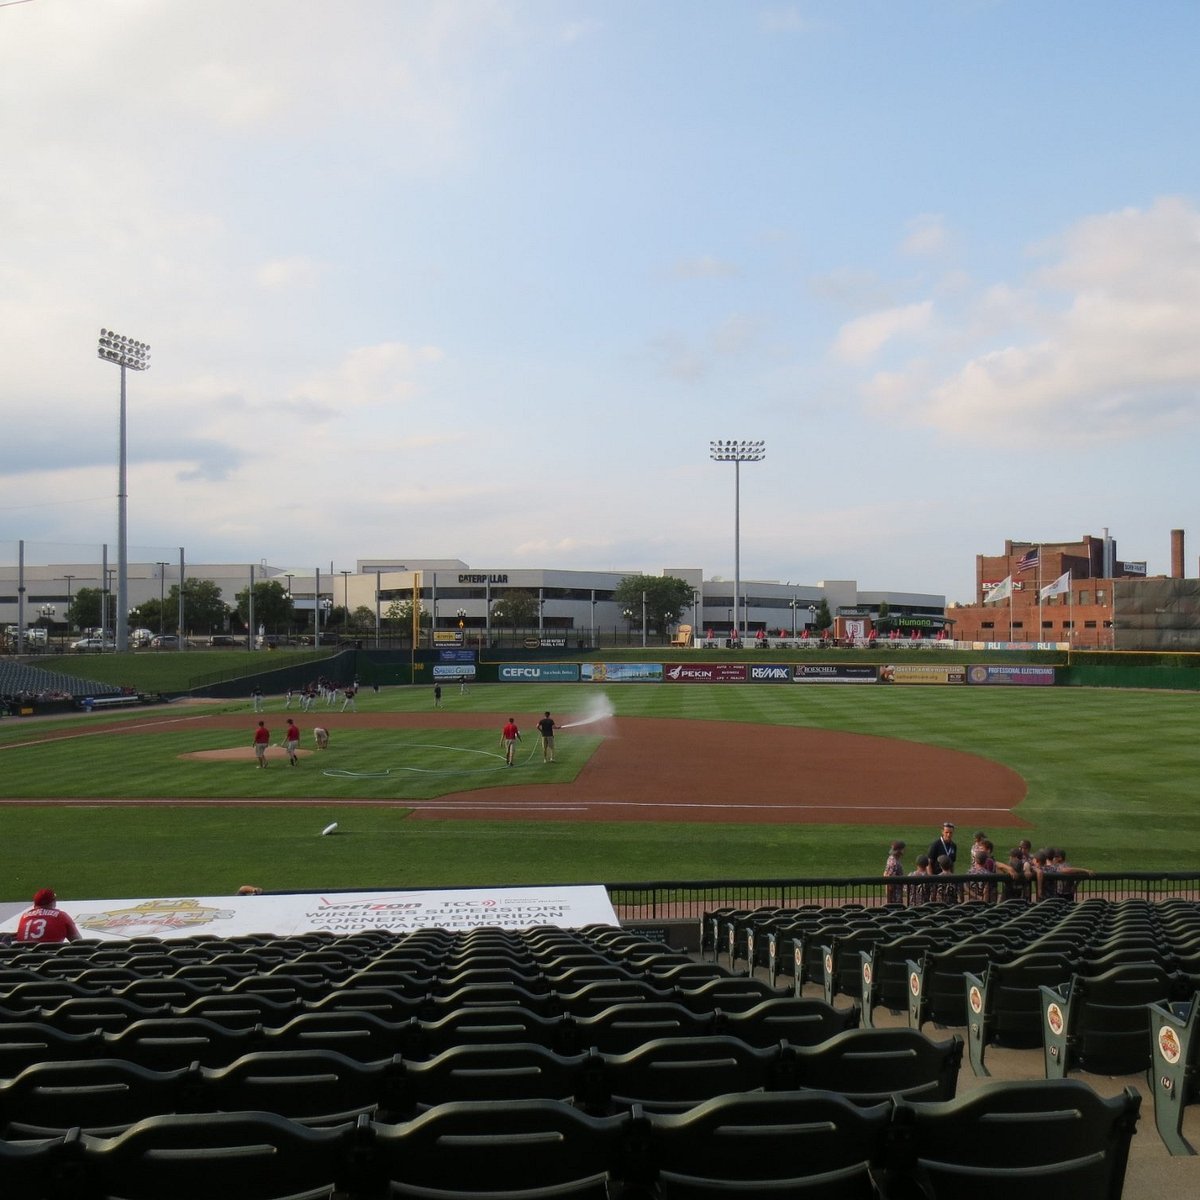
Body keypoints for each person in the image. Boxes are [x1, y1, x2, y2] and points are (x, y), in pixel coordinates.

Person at [15, 888, 82, 944]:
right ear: (52, 902)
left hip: (26, 958)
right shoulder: (61, 916)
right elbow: (77, 942)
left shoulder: (24, 916)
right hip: (51, 957)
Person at [883, 840, 906, 904]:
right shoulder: (894, 863)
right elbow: (889, 883)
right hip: (895, 896)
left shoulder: (891, 858)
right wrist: (889, 900)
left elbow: (885, 874)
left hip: (896, 894)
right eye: (903, 849)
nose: (904, 850)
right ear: (899, 850)